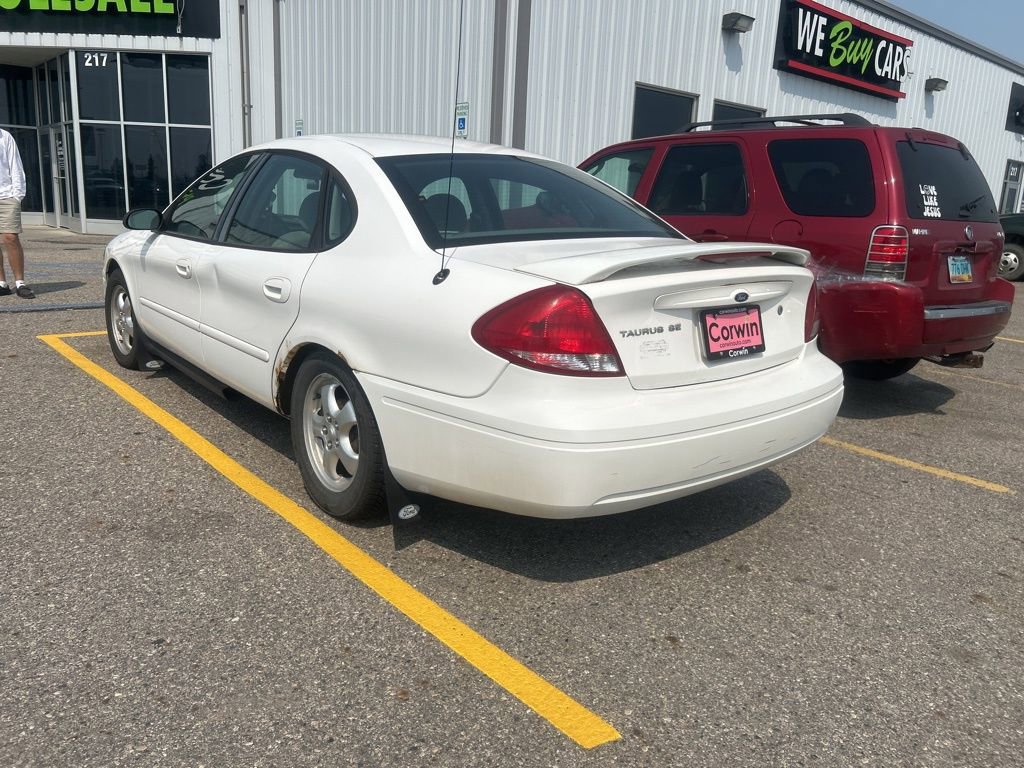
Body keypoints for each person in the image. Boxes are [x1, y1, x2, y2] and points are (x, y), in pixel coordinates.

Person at [0, 127, 34, 299]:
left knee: (10, 237)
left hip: (6, 195)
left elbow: (15, 165)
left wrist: (17, 197)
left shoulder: (4, 136)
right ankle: (2, 283)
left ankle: (20, 283)